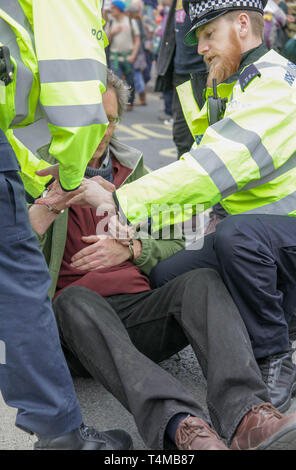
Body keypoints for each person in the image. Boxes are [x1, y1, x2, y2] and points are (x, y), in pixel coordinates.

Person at [42, 0, 296, 415]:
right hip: (256, 231)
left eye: (207, 36)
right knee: (167, 273)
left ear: (241, 25)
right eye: (196, 38)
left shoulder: (272, 87)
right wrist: (58, 206)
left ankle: (272, 362)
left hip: (281, 233)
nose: (200, 48)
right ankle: (192, 407)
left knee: (228, 245)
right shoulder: (234, 84)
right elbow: (191, 202)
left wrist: (125, 221)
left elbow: (202, 176)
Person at [0, 0, 132, 450]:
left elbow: (187, 231)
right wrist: (64, 186)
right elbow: (75, 91)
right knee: (29, 282)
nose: (104, 130)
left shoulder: (138, 172)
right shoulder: (47, 175)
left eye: (111, 121)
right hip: (78, 316)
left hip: (136, 311)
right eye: (101, 118)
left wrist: (133, 243)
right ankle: (63, 433)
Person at [154, 0, 207, 159]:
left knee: (204, 133)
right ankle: (184, 169)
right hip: (180, 73)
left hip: (204, 72)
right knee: (181, 134)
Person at [106, 0, 141, 110]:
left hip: (128, 57)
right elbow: (106, 40)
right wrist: (112, 33)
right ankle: (117, 104)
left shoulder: (130, 22)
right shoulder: (111, 23)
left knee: (130, 81)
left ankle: (130, 102)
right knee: (116, 82)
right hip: (114, 57)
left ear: (119, 9)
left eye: (113, 8)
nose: (111, 10)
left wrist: (134, 55)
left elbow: (137, 40)